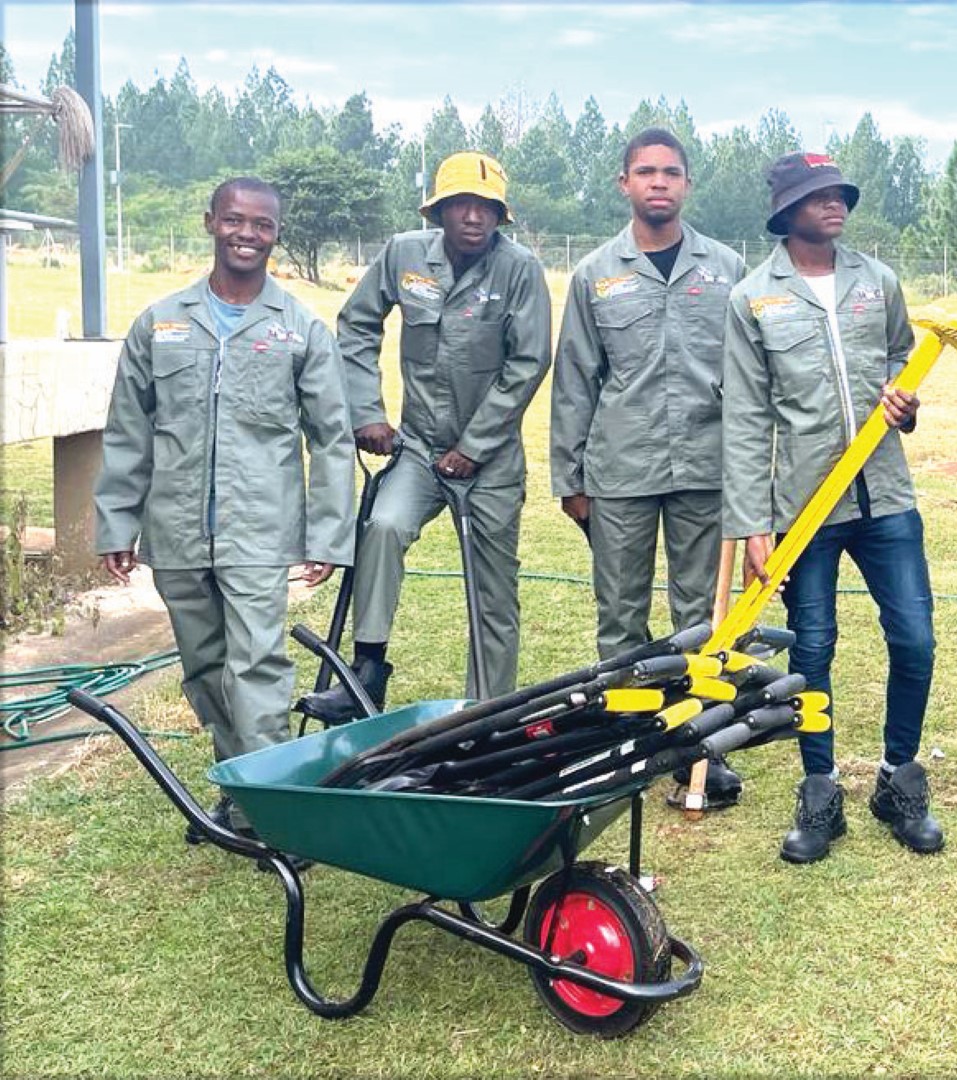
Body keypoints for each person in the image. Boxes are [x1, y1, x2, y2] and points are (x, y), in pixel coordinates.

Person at [93, 177, 355, 834]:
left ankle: (271, 813)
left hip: (260, 530)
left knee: (259, 666)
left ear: (275, 234)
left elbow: (331, 437)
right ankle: (238, 791)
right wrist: (117, 520)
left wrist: (327, 534)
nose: (247, 234)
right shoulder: (162, 323)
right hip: (177, 528)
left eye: (262, 224)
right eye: (235, 220)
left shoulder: (298, 329)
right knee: (205, 669)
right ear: (210, 221)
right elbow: (129, 429)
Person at [721, 151, 943, 863]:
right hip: (804, 504)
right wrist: (754, 522)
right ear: (787, 210)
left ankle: (897, 780)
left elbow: (902, 368)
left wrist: (906, 408)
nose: (835, 204)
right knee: (811, 648)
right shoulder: (754, 297)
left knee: (915, 638)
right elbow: (747, 419)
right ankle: (819, 793)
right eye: (819, 196)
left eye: (840, 193)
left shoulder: (877, 283)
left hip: (886, 495)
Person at [301, 151, 552, 721]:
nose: (473, 217)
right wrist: (367, 410)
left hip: (489, 461)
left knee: (492, 591)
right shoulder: (403, 254)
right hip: (417, 445)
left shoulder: (520, 271)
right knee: (383, 527)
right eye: (461, 204)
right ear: (439, 210)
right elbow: (357, 325)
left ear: (499, 216)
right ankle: (365, 675)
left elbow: (529, 362)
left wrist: (474, 447)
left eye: (486, 207)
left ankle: (487, 713)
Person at [549, 127, 748, 807]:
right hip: (621, 473)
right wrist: (569, 481)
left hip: (706, 468)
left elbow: (752, 379)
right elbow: (575, 380)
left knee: (703, 615)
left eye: (671, 172)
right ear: (624, 184)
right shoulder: (595, 275)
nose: (658, 182)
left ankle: (698, 752)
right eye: (645, 172)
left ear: (687, 184)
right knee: (621, 618)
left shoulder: (727, 269)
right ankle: (626, 743)